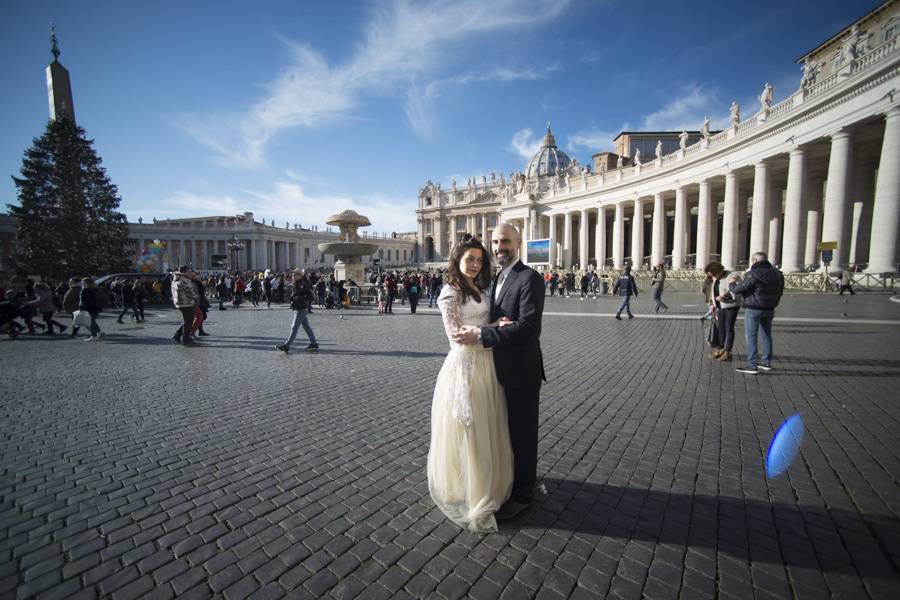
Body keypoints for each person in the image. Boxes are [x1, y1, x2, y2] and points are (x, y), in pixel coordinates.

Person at [452, 223, 547, 521]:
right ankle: (508, 482)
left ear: (518, 243)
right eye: (495, 242)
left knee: (522, 434)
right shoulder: (497, 277)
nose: (499, 247)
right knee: (503, 432)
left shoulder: (529, 278)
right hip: (496, 369)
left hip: (521, 370)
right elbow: (499, 319)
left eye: (505, 241)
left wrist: (481, 336)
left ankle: (523, 494)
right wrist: (490, 328)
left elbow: (529, 327)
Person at [429, 236, 513, 531]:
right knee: (471, 429)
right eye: (470, 259)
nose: (476, 264)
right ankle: (471, 489)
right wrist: (492, 328)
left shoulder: (480, 288)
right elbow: (455, 335)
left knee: (489, 425)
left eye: (479, 259)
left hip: (487, 364)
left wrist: (482, 331)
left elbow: (470, 331)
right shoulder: (450, 292)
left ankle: (488, 484)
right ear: (457, 260)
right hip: (465, 366)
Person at [720, 252, 784, 374]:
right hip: (770, 308)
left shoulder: (753, 274)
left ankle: (752, 365)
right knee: (766, 335)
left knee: (751, 337)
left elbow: (738, 290)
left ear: (754, 260)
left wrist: (732, 284)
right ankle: (766, 362)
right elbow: (780, 291)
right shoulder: (777, 274)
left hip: (754, 307)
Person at [705, 261, 741, 362]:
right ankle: (721, 349)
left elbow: (738, 290)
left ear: (718, 271)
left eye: (713, 274)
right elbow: (713, 291)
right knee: (720, 327)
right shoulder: (716, 277)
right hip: (720, 306)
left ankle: (728, 352)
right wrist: (712, 304)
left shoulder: (732, 276)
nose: (712, 276)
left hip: (731, 305)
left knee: (729, 328)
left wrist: (725, 296)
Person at [276, 269, 318, 354]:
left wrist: (299, 298)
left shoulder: (303, 284)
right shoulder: (296, 283)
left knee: (294, 327)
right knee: (306, 327)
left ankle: (286, 346)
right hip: (298, 307)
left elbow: (310, 296)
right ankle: (314, 343)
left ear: (299, 276)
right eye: (292, 275)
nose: (292, 276)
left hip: (301, 308)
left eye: (294, 275)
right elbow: (295, 294)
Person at [171, 266, 199, 347]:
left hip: (179, 302)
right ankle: (186, 340)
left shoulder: (175, 278)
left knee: (187, 320)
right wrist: (195, 296)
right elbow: (189, 292)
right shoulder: (185, 280)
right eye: (189, 271)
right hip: (186, 302)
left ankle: (178, 335)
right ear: (185, 271)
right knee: (188, 321)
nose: (190, 273)